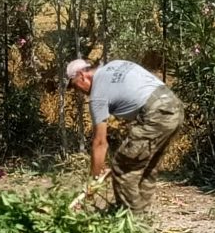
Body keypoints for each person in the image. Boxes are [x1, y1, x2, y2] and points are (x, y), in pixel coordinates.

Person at [65, 58, 183, 213]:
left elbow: (100, 142)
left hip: (156, 113)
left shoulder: (97, 95)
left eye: (75, 86)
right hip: (174, 106)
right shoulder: (115, 65)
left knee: (122, 167)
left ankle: (130, 221)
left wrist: (93, 182)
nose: (78, 92)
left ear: (81, 75)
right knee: (145, 166)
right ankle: (142, 219)